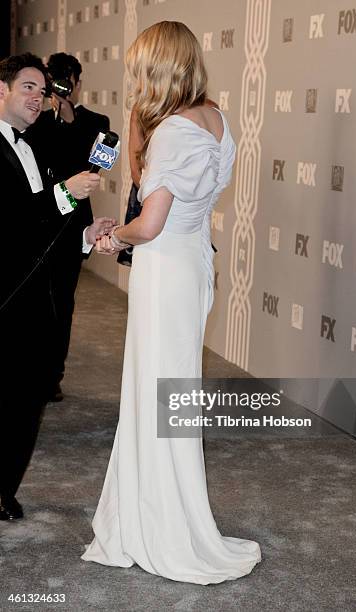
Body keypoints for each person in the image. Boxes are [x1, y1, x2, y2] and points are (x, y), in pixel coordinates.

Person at [81, 21, 261, 584]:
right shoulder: (216, 120)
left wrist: (114, 236)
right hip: (191, 267)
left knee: (156, 392)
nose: (135, 77)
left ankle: (159, 527)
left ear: (159, 67)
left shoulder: (173, 132)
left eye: (140, 67)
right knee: (172, 392)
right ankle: (168, 513)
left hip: (164, 271)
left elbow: (151, 224)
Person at [0, 52, 115, 521]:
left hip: (42, 283)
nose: (40, 95)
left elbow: (42, 230)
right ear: (2, 89)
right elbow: (13, 220)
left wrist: (85, 236)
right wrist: (67, 193)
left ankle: (5, 489)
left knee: (28, 398)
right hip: (5, 296)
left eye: (43, 88)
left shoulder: (61, 135)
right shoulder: (26, 137)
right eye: (28, 86)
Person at [27, 53, 110, 402]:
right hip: (41, 219)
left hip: (75, 225)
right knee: (34, 302)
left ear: (78, 81)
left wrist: (70, 117)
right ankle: (31, 369)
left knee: (63, 300)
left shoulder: (97, 122)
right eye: (55, 79)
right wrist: (55, 114)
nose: (63, 86)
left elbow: (96, 170)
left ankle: (53, 377)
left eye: (68, 79)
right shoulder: (37, 124)